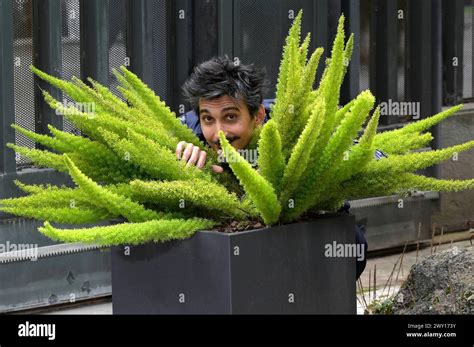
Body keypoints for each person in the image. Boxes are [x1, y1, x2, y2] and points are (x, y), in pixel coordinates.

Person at [177, 55, 368, 279]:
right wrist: (180, 157)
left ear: (257, 116)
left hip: (299, 247)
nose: (219, 133)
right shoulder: (190, 130)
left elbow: (373, 153)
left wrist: (290, 174)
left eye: (230, 117)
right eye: (208, 119)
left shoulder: (295, 125)